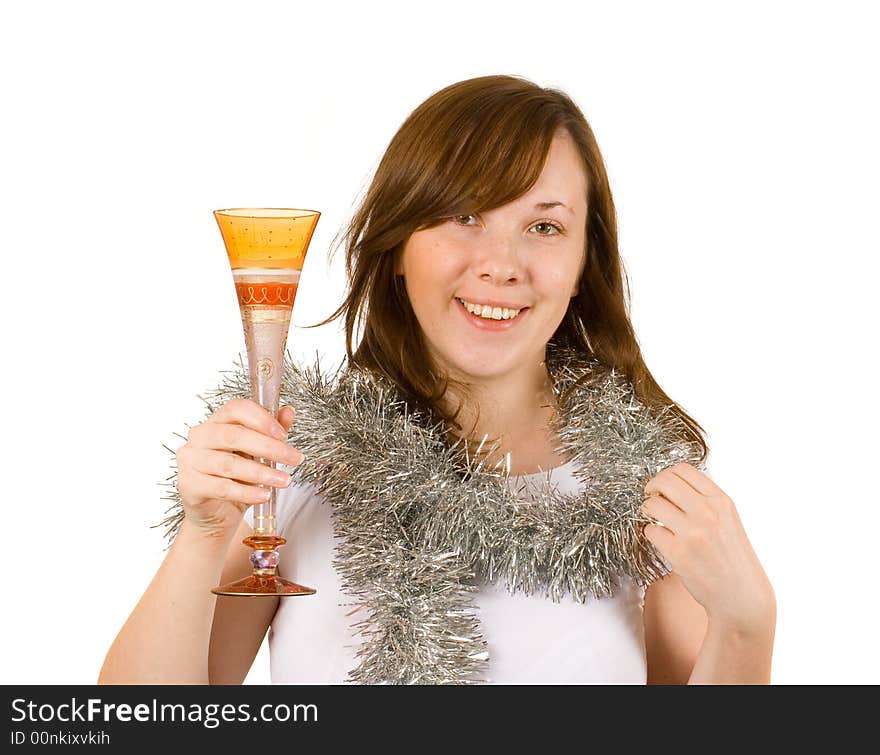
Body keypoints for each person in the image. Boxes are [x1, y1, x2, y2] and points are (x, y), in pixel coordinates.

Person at [99, 74, 776, 685]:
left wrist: (748, 621)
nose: (501, 264)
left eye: (544, 225)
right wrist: (203, 532)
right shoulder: (296, 462)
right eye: (466, 215)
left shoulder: (643, 490)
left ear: (581, 266)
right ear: (397, 247)